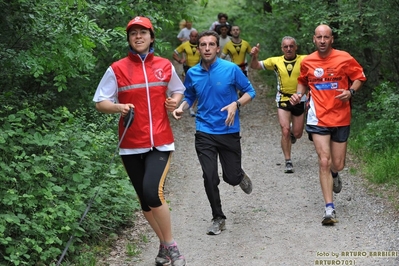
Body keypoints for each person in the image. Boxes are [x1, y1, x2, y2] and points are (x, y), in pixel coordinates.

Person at [92, 16, 186, 266]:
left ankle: (172, 247)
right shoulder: (117, 68)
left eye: (143, 32)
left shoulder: (165, 65)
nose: (138, 37)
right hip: (130, 143)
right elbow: (100, 102)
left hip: (160, 141)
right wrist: (118, 107)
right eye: (133, 33)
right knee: (144, 201)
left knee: (152, 193)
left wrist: (174, 101)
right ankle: (164, 246)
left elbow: (178, 90)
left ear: (151, 37)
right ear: (129, 39)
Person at [172, 30, 256, 236]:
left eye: (211, 44)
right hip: (204, 131)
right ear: (198, 48)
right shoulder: (192, 73)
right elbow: (190, 95)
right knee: (209, 176)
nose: (207, 48)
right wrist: (181, 107)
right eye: (203, 45)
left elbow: (250, 92)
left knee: (231, 177)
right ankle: (218, 217)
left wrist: (235, 104)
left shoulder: (231, 69)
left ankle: (239, 176)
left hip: (228, 130)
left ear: (218, 48)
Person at [289, 24, 366, 225]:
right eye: (319, 37)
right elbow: (303, 82)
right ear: (313, 39)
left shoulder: (345, 58)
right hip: (317, 117)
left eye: (326, 37)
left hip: (340, 117)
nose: (322, 41)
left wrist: (351, 92)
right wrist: (299, 94)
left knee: (337, 163)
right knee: (324, 160)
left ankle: (335, 174)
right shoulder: (307, 61)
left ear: (332, 39)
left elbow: (359, 77)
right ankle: (329, 209)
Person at [250, 36, 307, 174]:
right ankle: (288, 161)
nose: (289, 49)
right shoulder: (275, 61)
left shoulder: (305, 59)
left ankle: (293, 132)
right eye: (286, 46)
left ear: (296, 47)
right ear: (282, 48)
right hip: (282, 97)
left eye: (291, 46)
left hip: (300, 98)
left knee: (298, 133)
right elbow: (255, 66)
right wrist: (255, 56)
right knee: (285, 130)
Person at [172, 30, 200, 117]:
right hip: (187, 69)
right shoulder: (185, 45)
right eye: (192, 36)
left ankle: (192, 108)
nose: (194, 38)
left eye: (196, 36)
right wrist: (179, 60)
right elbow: (175, 53)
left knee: (196, 89)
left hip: (198, 70)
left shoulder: (201, 45)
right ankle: (184, 105)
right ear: (189, 36)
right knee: (187, 89)